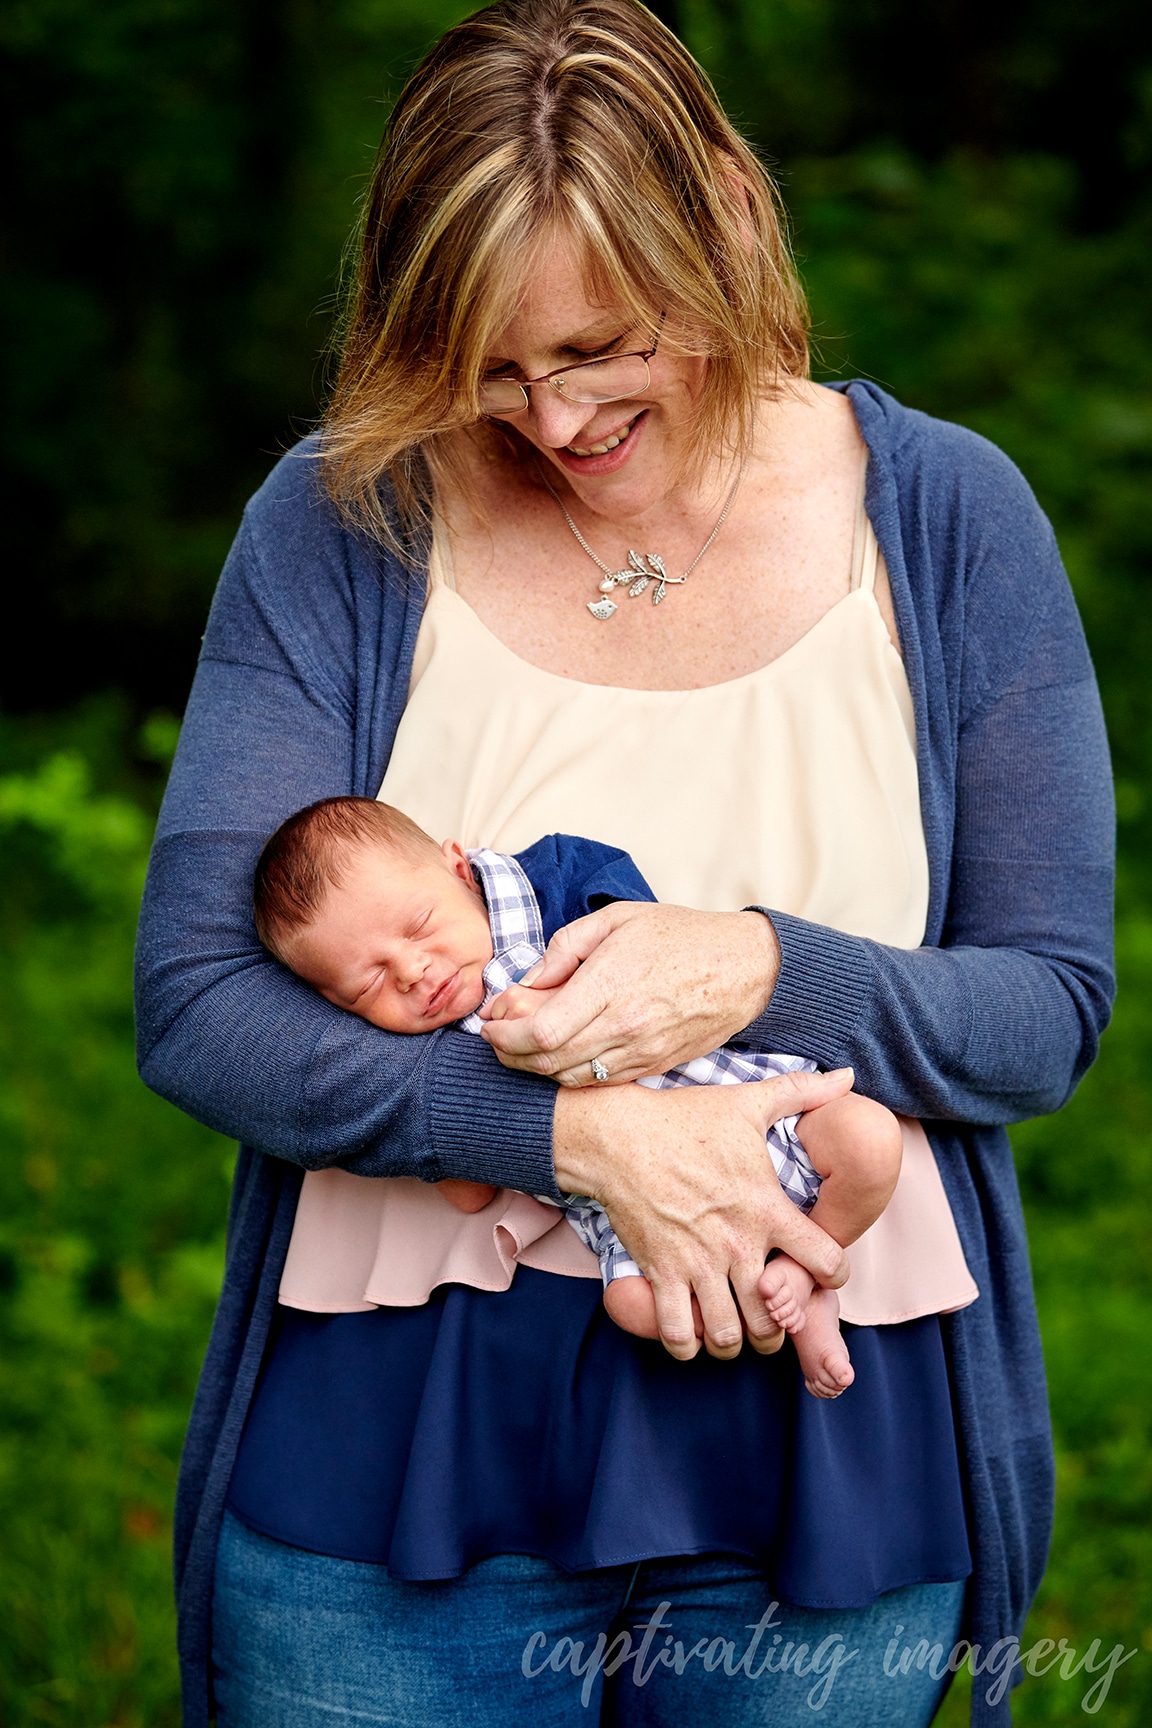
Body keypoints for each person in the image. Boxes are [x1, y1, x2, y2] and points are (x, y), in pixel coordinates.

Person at [133, 2, 1114, 1724]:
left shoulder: (951, 520)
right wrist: (577, 1134)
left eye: (598, 345)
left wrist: (758, 965)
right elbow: (202, 1006)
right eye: (489, 365)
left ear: (724, 215)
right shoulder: (342, 517)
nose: (550, 416)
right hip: (399, 1453)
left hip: (832, 1442)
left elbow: (1042, 1011)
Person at [250, 793, 905, 1395]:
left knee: (870, 1140)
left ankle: (820, 1247)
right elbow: (471, 1190)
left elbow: (652, 946)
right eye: (369, 985)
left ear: (458, 868)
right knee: (632, 1306)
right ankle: (790, 1293)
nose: (415, 972)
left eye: (420, 926)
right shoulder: (419, 1058)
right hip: (635, 1214)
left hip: (748, 1098)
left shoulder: (551, 883)